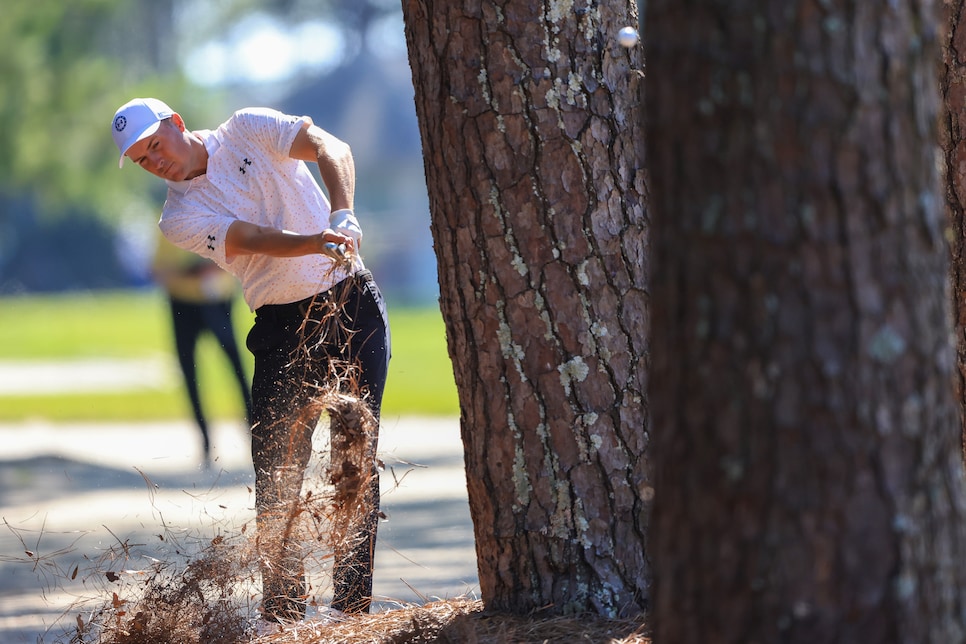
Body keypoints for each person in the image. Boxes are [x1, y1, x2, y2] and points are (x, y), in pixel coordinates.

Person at [111, 98, 391, 625]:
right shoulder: (178, 218)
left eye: (155, 145)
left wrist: (342, 212)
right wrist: (316, 240)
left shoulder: (247, 128)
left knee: (355, 460)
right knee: (277, 473)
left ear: (175, 123)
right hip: (282, 326)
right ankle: (284, 615)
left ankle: (352, 614)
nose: (157, 161)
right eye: (144, 160)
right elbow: (252, 239)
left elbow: (333, 146)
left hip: (352, 302)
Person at [151, 233, 254, 465]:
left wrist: (209, 268)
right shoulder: (169, 221)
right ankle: (205, 441)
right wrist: (187, 271)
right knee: (190, 372)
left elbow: (237, 255)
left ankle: (255, 432)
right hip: (183, 303)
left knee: (237, 369)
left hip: (217, 300)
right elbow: (158, 270)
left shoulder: (218, 208)